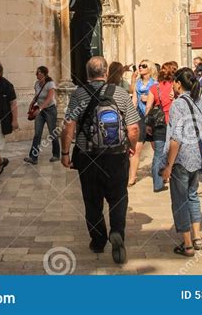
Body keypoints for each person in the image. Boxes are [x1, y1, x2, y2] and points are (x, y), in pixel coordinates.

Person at [60, 56, 139, 264]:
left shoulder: (79, 94)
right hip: (116, 156)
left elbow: (69, 125)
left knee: (92, 201)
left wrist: (65, 152)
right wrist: (131, 148)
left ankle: (97, 240)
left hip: (88, 156)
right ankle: (117, 233)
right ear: (105, 73)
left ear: (88, 74)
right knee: (118, 197)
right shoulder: (120, 94)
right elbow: (133, 128)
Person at [160, 68, 202, 257]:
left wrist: (168, 165)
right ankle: (197, 237)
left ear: (178, 84)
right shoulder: (200, 101)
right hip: (197, 156)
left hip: (181, 158)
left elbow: (176, 138)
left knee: (180, 201)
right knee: (193, 195)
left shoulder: (178, 104)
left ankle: (186, 244)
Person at [144, 61, 175, 192]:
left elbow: (148, 107)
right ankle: (170, 176)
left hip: (158, 123)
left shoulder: (154, 88)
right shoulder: (175, 87)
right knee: (174, 152)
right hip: (172, 122)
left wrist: (147, 123)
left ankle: (157, 184)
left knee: (158, 154)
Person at [24, 66, 60, 165]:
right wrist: (32, 103)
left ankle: (56, 154)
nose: (36, 74)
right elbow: (37, 95)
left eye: (38, 72)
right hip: (40, 110)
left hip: (50, 110)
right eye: (36, 72)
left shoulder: (50, 84)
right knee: (37, 134)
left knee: (52, 132)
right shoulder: (37, 84)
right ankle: (33, 157)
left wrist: (40, 109)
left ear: (44, 74)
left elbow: (49, 99)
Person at [128, 59, 156, 186]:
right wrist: (131, 115)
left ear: (150, 68)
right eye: (139, 66)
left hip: (152, 117)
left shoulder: (155, 83)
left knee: (157, 147)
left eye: (144, 66)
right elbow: (134, 98)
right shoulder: (138, 83)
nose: (140, 68)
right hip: (140, 116)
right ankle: (132, 177)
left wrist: (150, 98)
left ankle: (165, 171)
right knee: (137, 148)